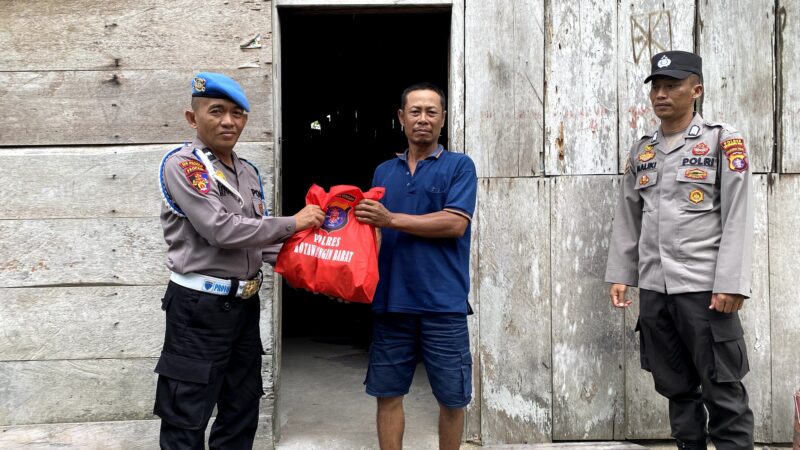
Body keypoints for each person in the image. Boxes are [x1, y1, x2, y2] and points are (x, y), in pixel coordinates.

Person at [154, 72, 325, 449]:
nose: (229, 121)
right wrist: (294, 222)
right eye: (216, 111)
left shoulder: (246, 171)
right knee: (187, 412)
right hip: (198, 310)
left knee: (242, 405)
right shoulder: (185, 167)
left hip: (244, 306)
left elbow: (255, 245)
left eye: (238, 113)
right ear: (192, 117)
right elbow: (222, 230)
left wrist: (319, 268)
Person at [605, 51, 754, 450]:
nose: (661, 93)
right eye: (656, 86)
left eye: (672, 85)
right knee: (677, 392)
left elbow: (738, 216)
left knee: (724, 394)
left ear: (697, 90)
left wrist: (732, 283)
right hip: (656, 291)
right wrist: (622, 273)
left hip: (705, 292)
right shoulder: (643, 151)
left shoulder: (723, 141)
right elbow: (628, 214)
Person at [355, 82, 477, 450]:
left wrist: (391, 219)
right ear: (401, 118)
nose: (423, 119)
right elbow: (371, 235)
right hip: (391, 302)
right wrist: (352, 276)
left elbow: (454, 223)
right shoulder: (383, 171)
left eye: (431, 112)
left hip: (443, 304)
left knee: (453, 398)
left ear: (443, 119)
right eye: (415, 111)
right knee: (387, 393)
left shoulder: (459, 166)